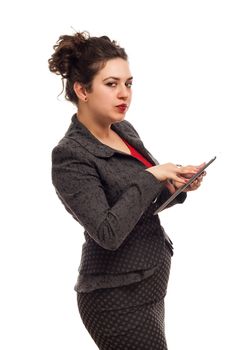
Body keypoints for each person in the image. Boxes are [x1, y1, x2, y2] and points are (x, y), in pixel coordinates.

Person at [48, 30, 206, 350]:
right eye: (111, 84)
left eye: (128, 83)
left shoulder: (123, 129)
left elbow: (142, 200)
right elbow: (108, 231)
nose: (124, 94)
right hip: (115, 300)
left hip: (148, 284)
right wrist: (153, 176)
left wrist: (174, 183)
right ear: (82, 90)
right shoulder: (70, 155)